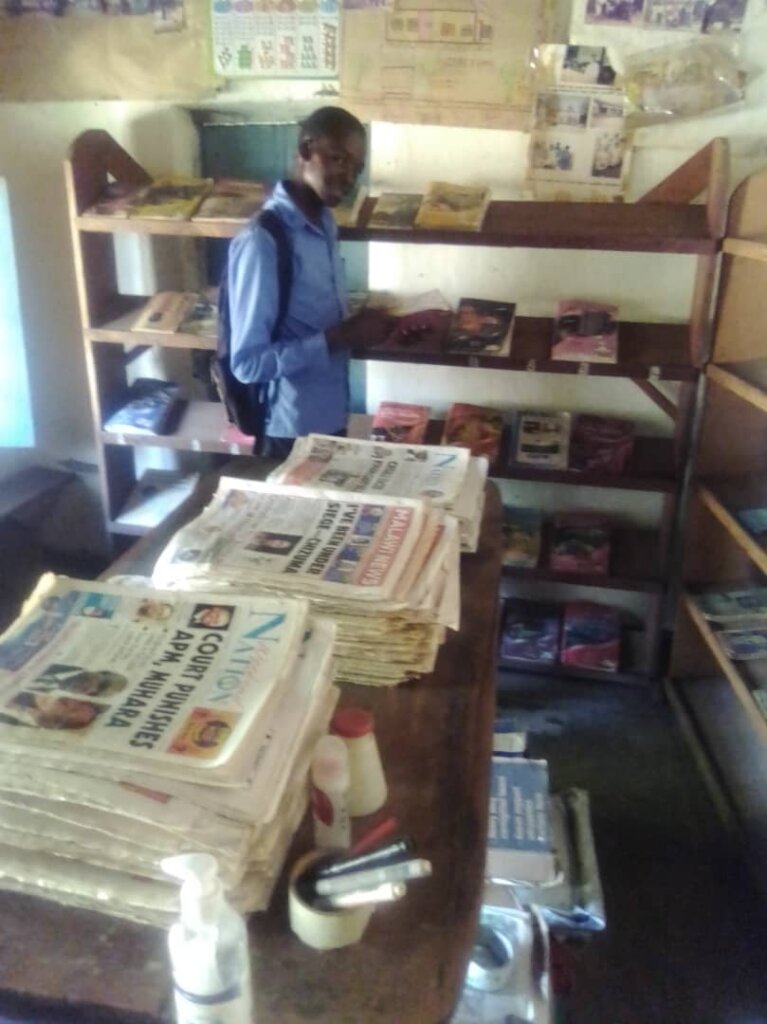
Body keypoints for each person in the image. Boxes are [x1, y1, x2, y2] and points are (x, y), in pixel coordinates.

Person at [227, 105, 395, 460]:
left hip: (332, 418)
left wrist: (363, 326)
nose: (349, 177)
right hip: (288, 430)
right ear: (306, 149)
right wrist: (341, 337)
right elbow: (248, 364)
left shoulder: (325, 225)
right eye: (339, 159)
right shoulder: (263, 240)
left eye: (357, 168)